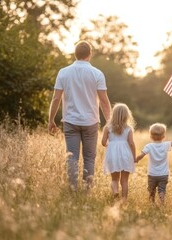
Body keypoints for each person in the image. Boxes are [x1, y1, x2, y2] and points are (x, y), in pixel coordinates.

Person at [48, 40, 111, 192]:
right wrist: (110, 123)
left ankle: (72, 190)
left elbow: (56, 98)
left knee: (72, 158)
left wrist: (51, 120)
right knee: (89, 158)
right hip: (91, 122)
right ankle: (87, 191)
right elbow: (104, 101)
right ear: (90, 54)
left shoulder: (63, 72)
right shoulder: (97, 73)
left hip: (70, 121)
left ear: (75, 54)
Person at [135, 123, 172, 205]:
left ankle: (152, 204)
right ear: (164, 136)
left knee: (151, 190)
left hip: (152, 174)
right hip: (163, 174)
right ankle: (162, 202)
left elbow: (141, 155)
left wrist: (136, 159)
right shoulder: (165, 145)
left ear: (150, 136)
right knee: (162, 190)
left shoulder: (149, 146)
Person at [101, 103, 136, 203]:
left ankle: (115, 191)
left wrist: (110, 145)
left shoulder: (107, 128)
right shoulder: (129, 129)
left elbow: (103, 143)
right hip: (125, 155)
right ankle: (124, 200)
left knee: (114, 179)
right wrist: (134, 157)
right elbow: (131, 143)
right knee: (124, 180)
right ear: (127, 115)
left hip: (112, 155)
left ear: (113, 114)